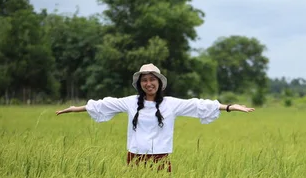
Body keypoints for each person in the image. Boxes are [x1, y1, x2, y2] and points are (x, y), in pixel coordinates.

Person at [55, 63, 255, 171]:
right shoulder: (130, 101)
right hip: (134, 157)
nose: (148, 83)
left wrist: (230, 107)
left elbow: (199, 105)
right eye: (144, 80)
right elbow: (103, 104)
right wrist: (75, 108)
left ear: (159, 82)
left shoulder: (171, 104)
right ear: (139, 83)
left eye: (152, 79)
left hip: (161, 158)